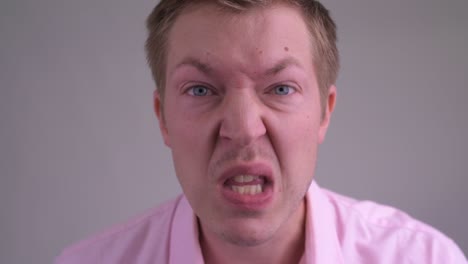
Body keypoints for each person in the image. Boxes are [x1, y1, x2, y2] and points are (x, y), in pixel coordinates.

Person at [55, 0, 467, 263]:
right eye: (200, 89)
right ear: (162, 117)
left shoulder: (425, 258)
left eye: (280, 88)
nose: (243, 129)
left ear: (325, 111)